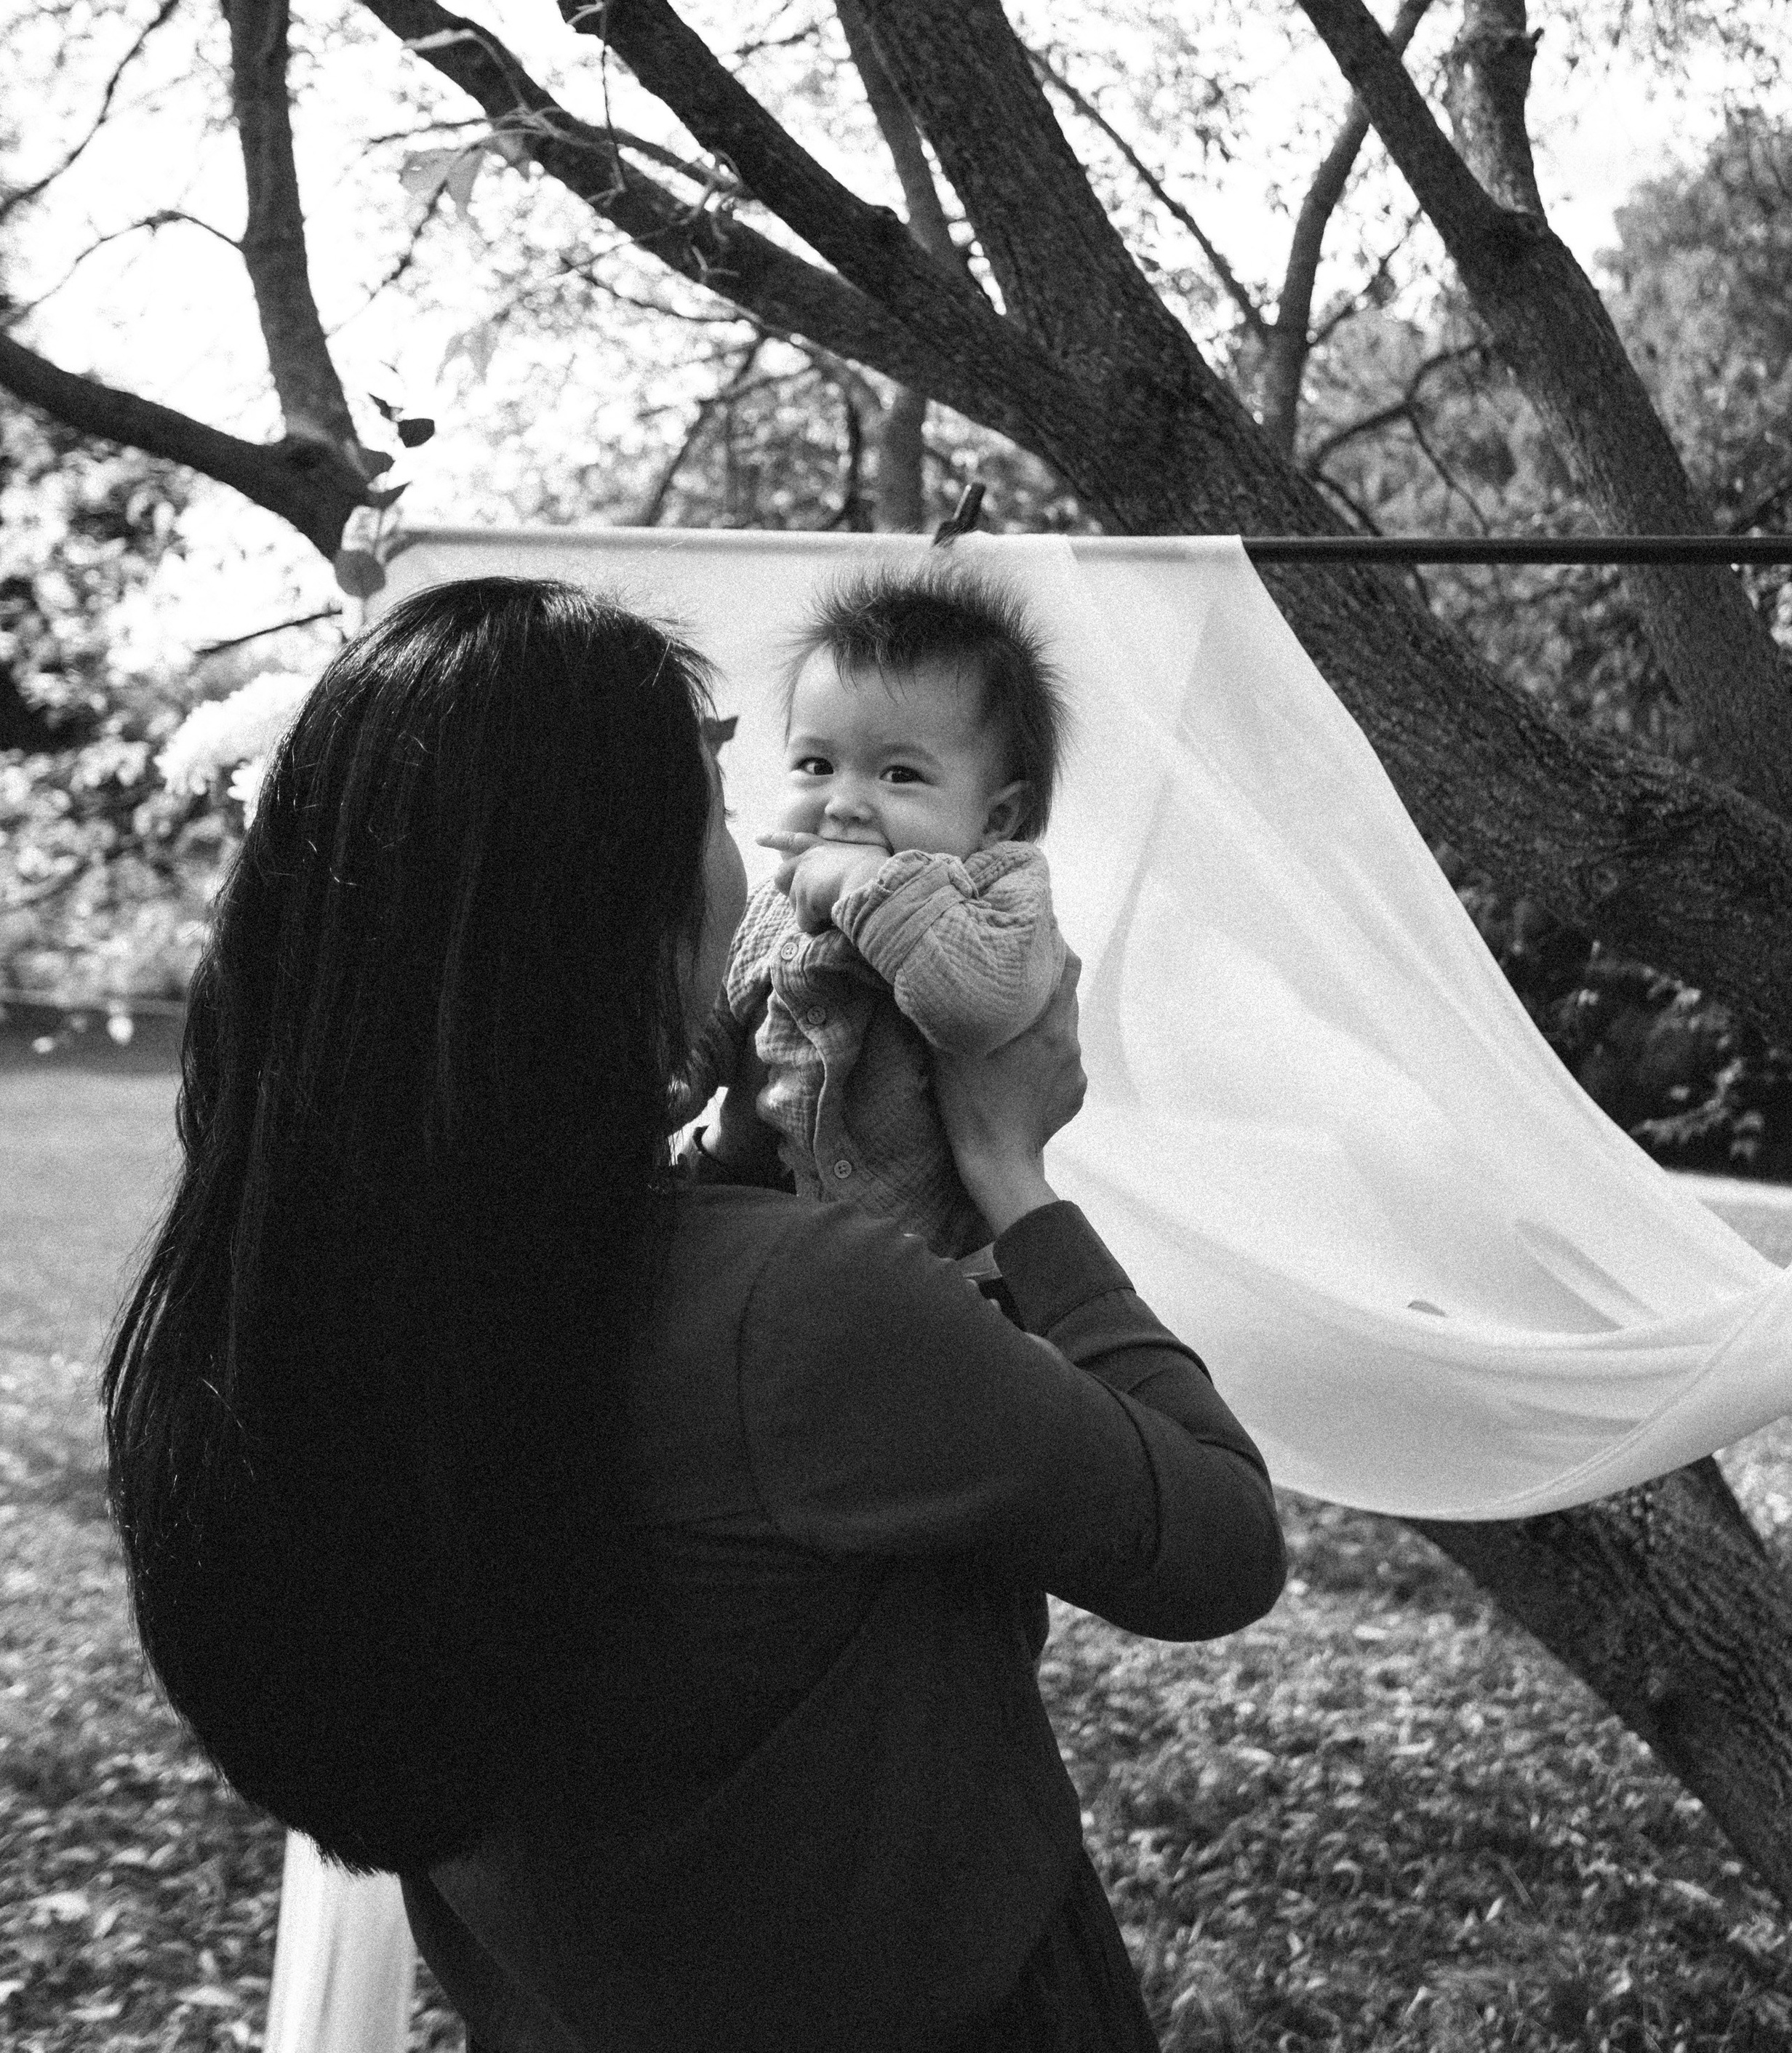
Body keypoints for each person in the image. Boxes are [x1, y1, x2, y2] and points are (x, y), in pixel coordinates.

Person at [103, 577, 1285, 2053]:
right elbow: (1220, 1545)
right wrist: (1009, 1176)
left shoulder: (288, 1319)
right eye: (729, 801)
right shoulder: (799, 1313)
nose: (780, 842)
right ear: (647, 915)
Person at [677, 565, 1071, 1259]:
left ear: (998, 816)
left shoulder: (1000, 888)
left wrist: (868, 888)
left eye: (900, 775)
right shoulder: (774, 904)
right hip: (770, 1227)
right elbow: (708, 1031)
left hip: (948, 1269)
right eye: (816, 764)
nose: (844, 803)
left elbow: (978, 1010)